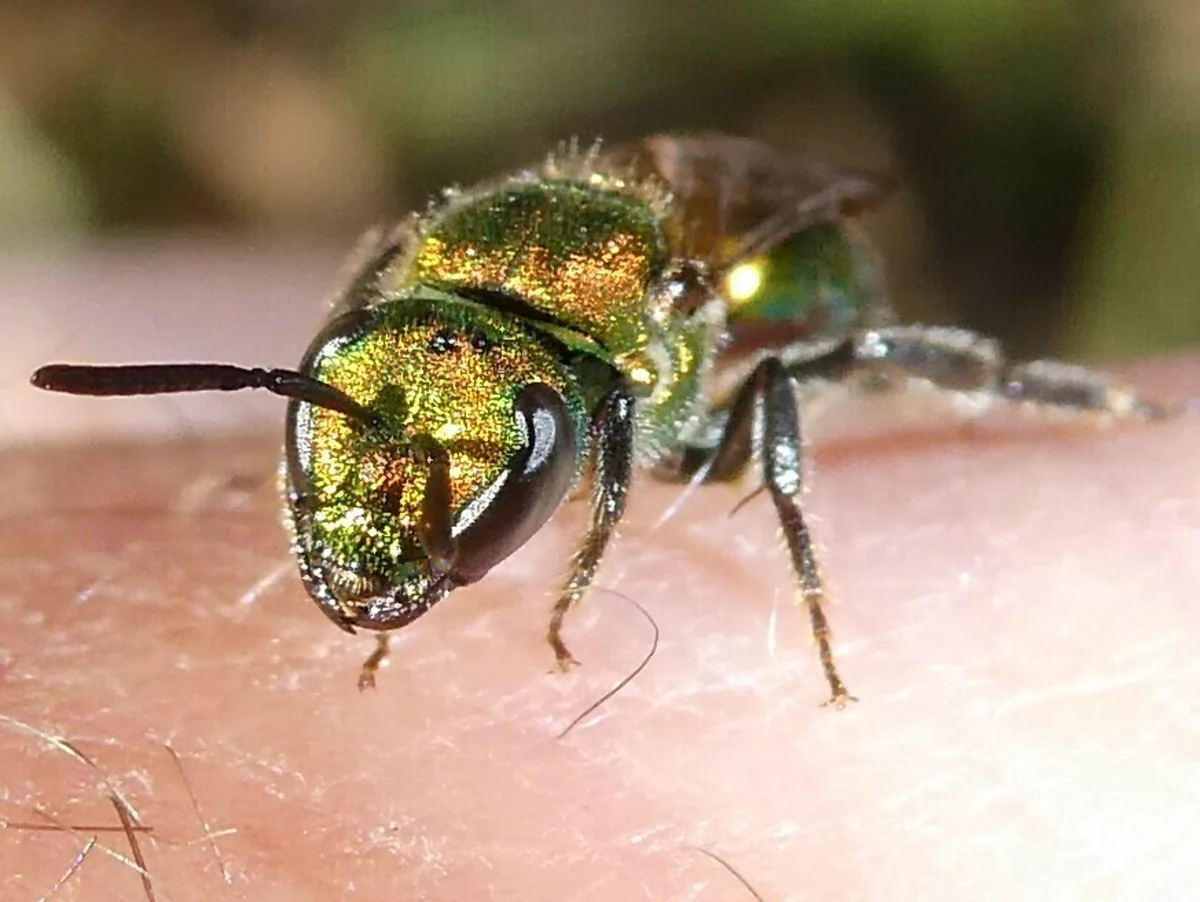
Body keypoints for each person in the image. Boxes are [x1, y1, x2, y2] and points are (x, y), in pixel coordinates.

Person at [3, 247, 1197, 900]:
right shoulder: (435, 293)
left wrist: (582, 576)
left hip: (774, 281)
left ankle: (1064, 396)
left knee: (824, 364)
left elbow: (669, 399)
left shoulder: (633, 354)